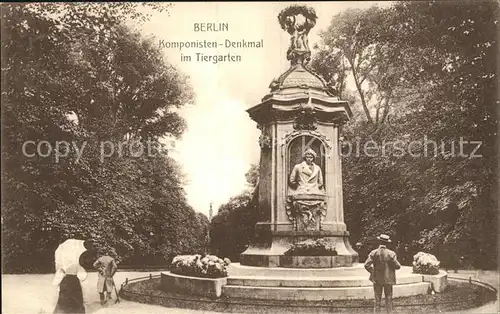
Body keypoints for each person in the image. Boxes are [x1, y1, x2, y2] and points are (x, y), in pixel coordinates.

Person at [364, 234, 401, 313]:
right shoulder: (391, 254)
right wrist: (390, 265)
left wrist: (373, 272)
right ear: (387, 243)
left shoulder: (373, 253)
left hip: (377, 279)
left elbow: (366, 265)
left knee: (377, 300)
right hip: (388, 279)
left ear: (379, 242)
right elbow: (398, 266)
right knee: (389, 298)